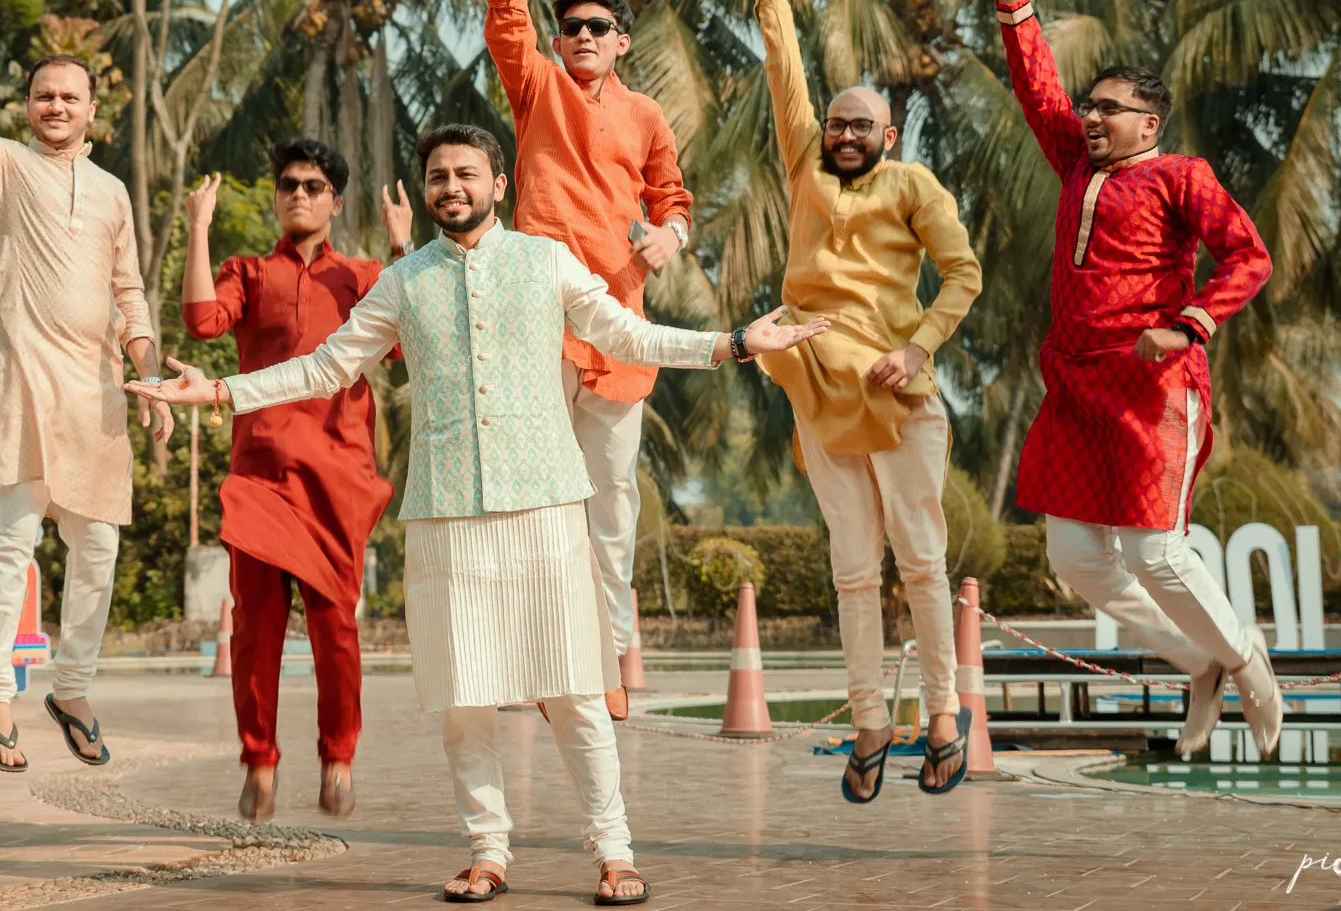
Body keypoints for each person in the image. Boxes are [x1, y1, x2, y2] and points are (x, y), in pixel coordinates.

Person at [131, 124, 827, 909]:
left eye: (466, 173)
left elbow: (624, 334)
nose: (451, 186)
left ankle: (614, 850)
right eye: (438, 175)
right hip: (447, 515)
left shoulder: (544, 260)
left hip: (546, 507)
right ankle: (487, 851)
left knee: (575, 692)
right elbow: (327, 365)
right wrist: (219, 391)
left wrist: (733, 342)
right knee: (465, 699)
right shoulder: (403, 281)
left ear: (500, 185)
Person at [993, 0, 1281, 757]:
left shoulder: (1182, 176)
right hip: (1074, 387)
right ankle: (1202, 661)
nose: (1090, 116)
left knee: (1156, 553)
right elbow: (1036, 82)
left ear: (1148, 124)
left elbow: (1250, 256)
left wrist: (1189, 326)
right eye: (1090, 106)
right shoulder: (1074, 163)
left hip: (1153, 388)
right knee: (1077, 558)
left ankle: (1247, 660)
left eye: (1110, 109)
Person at [0, 0, 174, 775]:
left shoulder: (111, 192)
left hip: (97, 396)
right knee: (10, 543)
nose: (55, 106)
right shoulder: (4, 168)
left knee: (98, 549)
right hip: (24, 384)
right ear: (27, 108)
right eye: (43, 96)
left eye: (69, 97)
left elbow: (130, 294)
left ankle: (73, 688)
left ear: (94, 109)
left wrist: (148, 374)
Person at [746, 0, 985, 800]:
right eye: (837, 124)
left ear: (889, 134)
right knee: (852, 568)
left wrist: (918, 349)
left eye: (861, 126)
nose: (844, 134)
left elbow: (961, 274)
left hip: (898, 390)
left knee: (921, 559)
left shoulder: (914, 185)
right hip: (818, 387)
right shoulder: (805, 163)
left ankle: (943, 715)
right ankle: (872, 722)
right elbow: (785, 66)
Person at [481, 0, 693, 682]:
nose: (580, 37)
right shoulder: (536, 86)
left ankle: (608, 659)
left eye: (597, 27)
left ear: (622, 42)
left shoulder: (647, 116)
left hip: (617, 325)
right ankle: (533, 660)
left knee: (610, 502)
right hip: (535, 316)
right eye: (569, 26)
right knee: (534, 496)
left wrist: (669, 237)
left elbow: (674, 202)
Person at [180, 139, 414, 820]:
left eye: (314, 186)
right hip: (259, 474)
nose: (300, 195)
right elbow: (202, 321)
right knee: (254, 626)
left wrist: (403, 248)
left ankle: (338, 756)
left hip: (338, 475)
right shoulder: (249, 272)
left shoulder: (365, 276)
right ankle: (258, 760)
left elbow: (410, 340)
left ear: (336, 202)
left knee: (335, 626)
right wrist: (198, 226)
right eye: (289, 184)